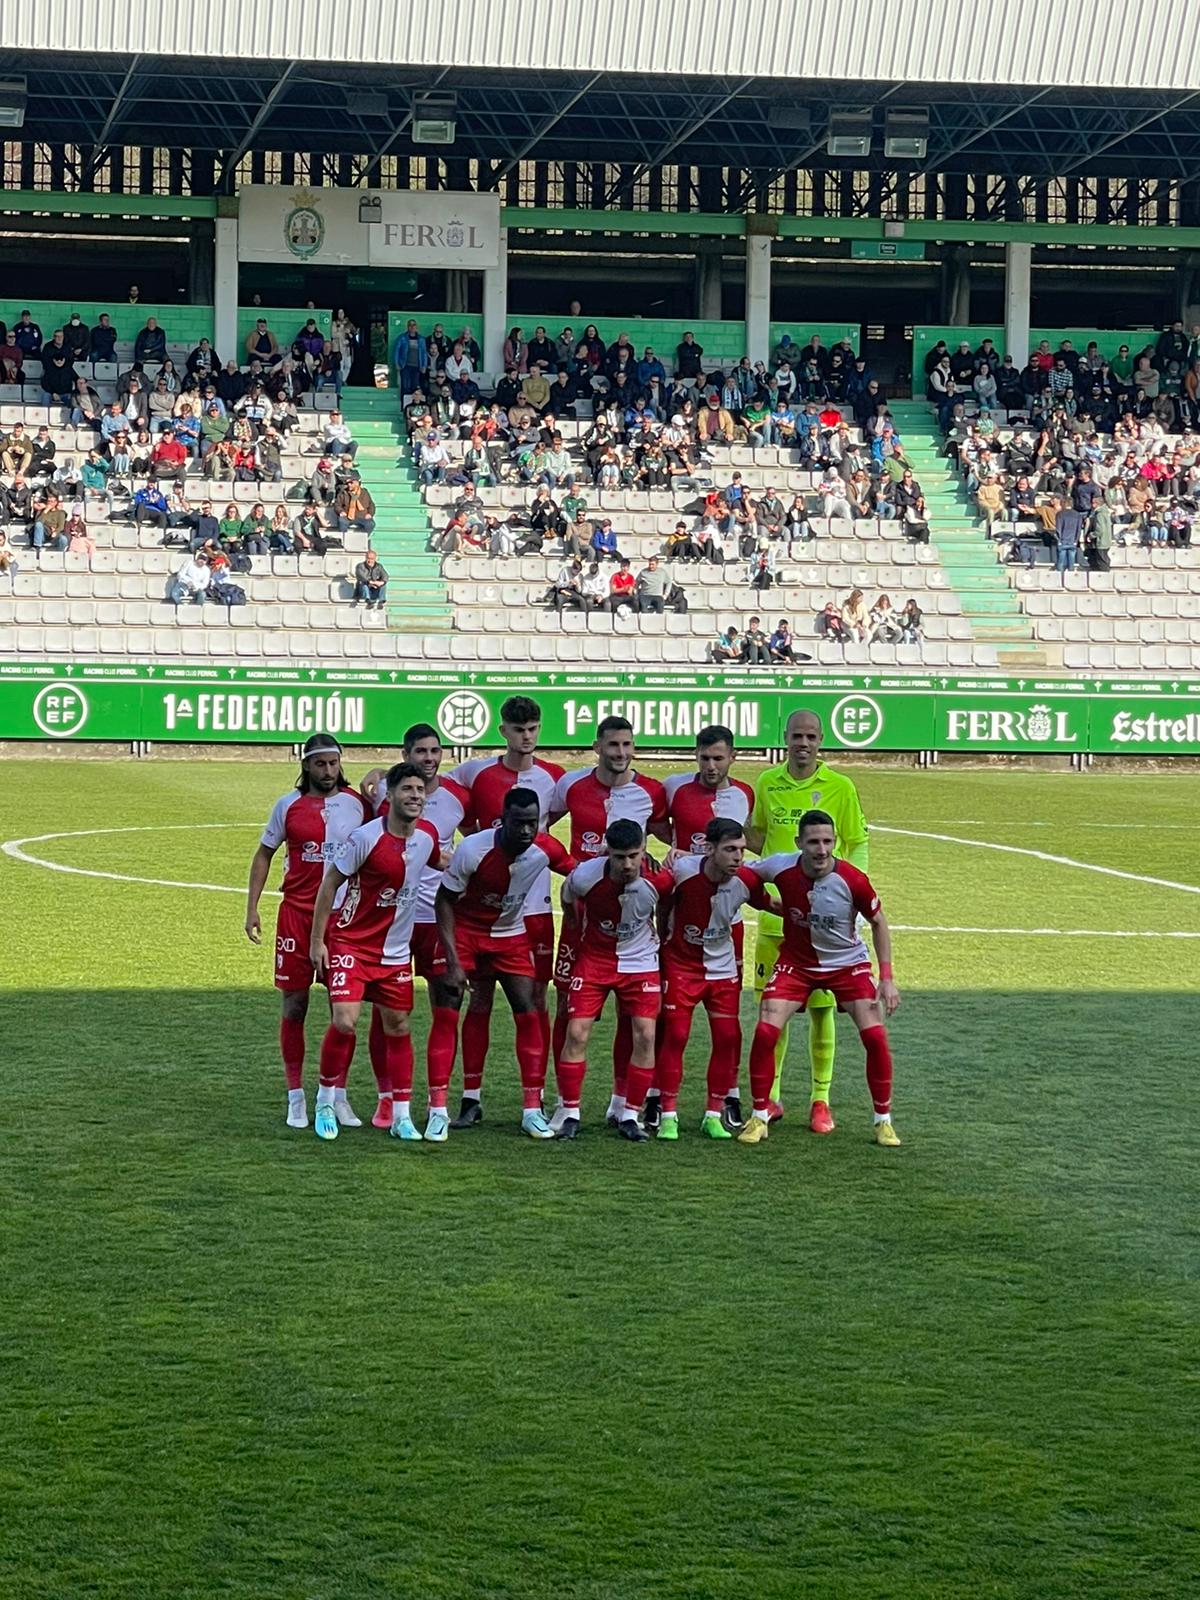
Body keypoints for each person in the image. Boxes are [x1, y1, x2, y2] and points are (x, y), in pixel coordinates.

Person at [739, 810, 900, 1148]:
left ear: (835, 843)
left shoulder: (852, 879)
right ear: (799, 843)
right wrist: (768, 903)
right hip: (796, 964)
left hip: (847, 965)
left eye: (828, 841)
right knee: (767, 1028)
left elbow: (879, 922)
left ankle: (883, 1121)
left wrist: (886, 978)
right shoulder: (780, 866)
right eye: (813, 842)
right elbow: (741, 873)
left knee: (875, 1035)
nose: (822, 849)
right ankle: (759, 1115)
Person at [744, 709, 870, 1130]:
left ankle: (820, 1099)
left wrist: (846, 896)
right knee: (771, 1012)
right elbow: (757, 837)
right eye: (796, 735)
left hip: (824, 930)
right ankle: (772, 1097)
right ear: (785, 738)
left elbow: (857, 841)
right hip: (777, 922)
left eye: (811, 736)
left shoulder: (840, 787)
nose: (803, 743)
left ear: (820, 741)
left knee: (822, 1012)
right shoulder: (767, 782)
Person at [308, 764, 441, 1142]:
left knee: (398, 1026)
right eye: (407, 789)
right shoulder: (365, 838)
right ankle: (325, 1100)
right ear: (390, 795)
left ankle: (401, 1115)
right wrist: (319, 942)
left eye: (420, 790)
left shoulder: (427, 838)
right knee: (345, 1021)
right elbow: (330, 883)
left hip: (396, 954)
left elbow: (439, 863)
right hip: (352, 944)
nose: (415, 795)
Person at [449, 698, 565, 1126]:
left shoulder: (556, 778)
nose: (527, 736)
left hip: (533, 908)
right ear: (503, 731)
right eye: (519, 729)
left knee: (534, 1000)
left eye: (533, 728)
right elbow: (430, 784)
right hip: (481, 906)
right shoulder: (474, 772)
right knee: (477, 998)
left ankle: (537, 1097)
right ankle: (471, 1096)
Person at [244, 735, 370, 1129]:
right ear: (306, 766)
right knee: (294, 1006)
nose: (328, 772)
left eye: (334, 764)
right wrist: (252, 907)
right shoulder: (288, 806)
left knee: (343, 1012)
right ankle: (295, 1096)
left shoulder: (358, 805)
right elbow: (264, 852)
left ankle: (337, 1095)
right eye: (321, 764)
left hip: (343, 922)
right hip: (296, 917)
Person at [435, 788, 575, 1140]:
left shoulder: (546, 848)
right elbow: (444, 900)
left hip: (510, 935)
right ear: (503, 820)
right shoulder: (473, 850)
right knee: (453, 1007)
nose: (526, 831)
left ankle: (531, 1110)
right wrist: (453, 960)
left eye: (532, 823)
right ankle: (447, 1106)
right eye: (518, 824)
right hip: (467, 933)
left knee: (528, 1009)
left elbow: (581, 875)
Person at [549, 718, 668, 1124]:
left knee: (632, 1018)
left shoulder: (652, 791)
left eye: (627, 744)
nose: (620, 752)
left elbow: (672, 834)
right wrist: (568, 866)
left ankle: (623, 1105)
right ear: (596, 747)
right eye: (613, 745)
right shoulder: (571, 785)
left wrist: (656, 863)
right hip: (584, 916)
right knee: (569, 1010)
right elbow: (538, 826)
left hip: (632, 917)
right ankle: (563, 1104)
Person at [551, 821, 674, 1142]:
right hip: (595, 960)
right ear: (607, 852)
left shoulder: (659, 880)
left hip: (640, 961)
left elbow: (667, 909)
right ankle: (570, 1111)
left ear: (645, 851)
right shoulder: (585, 876)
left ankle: (630, 1114)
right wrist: (580, 934)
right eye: (620, 857)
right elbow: (567, 900)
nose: (627, 864)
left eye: (634, 856)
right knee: (576, 1032)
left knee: (645, 1034)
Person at [656, 818, 777, 1140]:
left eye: (740, 849)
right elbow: (659, 901)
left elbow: (770, 903)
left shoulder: (747, 880)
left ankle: (713, 1115)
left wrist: (810, 911)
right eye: (730, 850)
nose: (738, 857)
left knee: (728, 1037)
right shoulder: (682, 873)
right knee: (676, 1035)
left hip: (722, 969)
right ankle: (668, 1114)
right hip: (681, 966)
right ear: (709, 850)